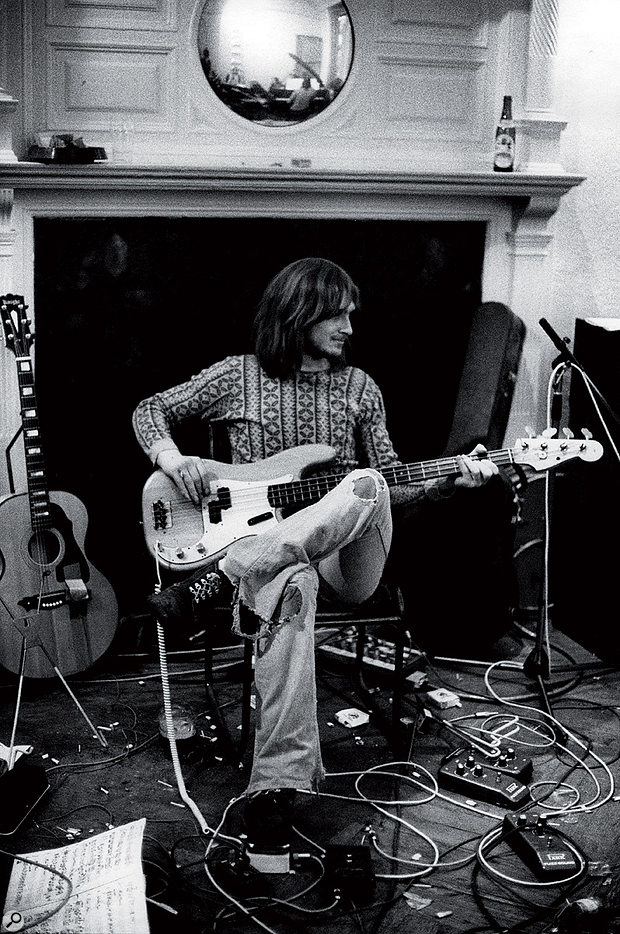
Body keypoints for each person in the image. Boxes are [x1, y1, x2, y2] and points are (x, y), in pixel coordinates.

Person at [132, 257, 498, 847]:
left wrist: (453, 475)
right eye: (338, 312)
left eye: (352, 313)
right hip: (285, 560)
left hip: (349, 562)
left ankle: (222, 579)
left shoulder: (359, 388)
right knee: (289, 587)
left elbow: (394, 480)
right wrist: (173, 459)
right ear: (298, 312)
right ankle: (275, 785)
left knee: (369, 483)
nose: (350, 325)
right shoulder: (235, 377)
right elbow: (151, 409)